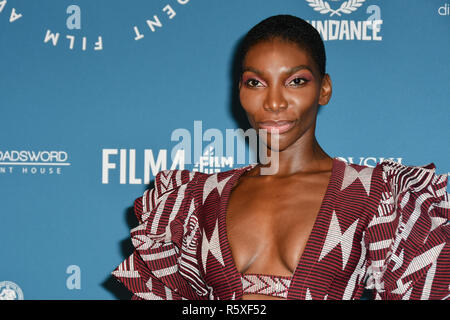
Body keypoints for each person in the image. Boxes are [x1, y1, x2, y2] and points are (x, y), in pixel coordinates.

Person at [112, 15, 450, 300]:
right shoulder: (195, 200)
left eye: (296, 81)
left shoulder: (377, 196)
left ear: (324, 89)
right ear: (239, 91)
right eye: (256, 83)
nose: (274, 102)